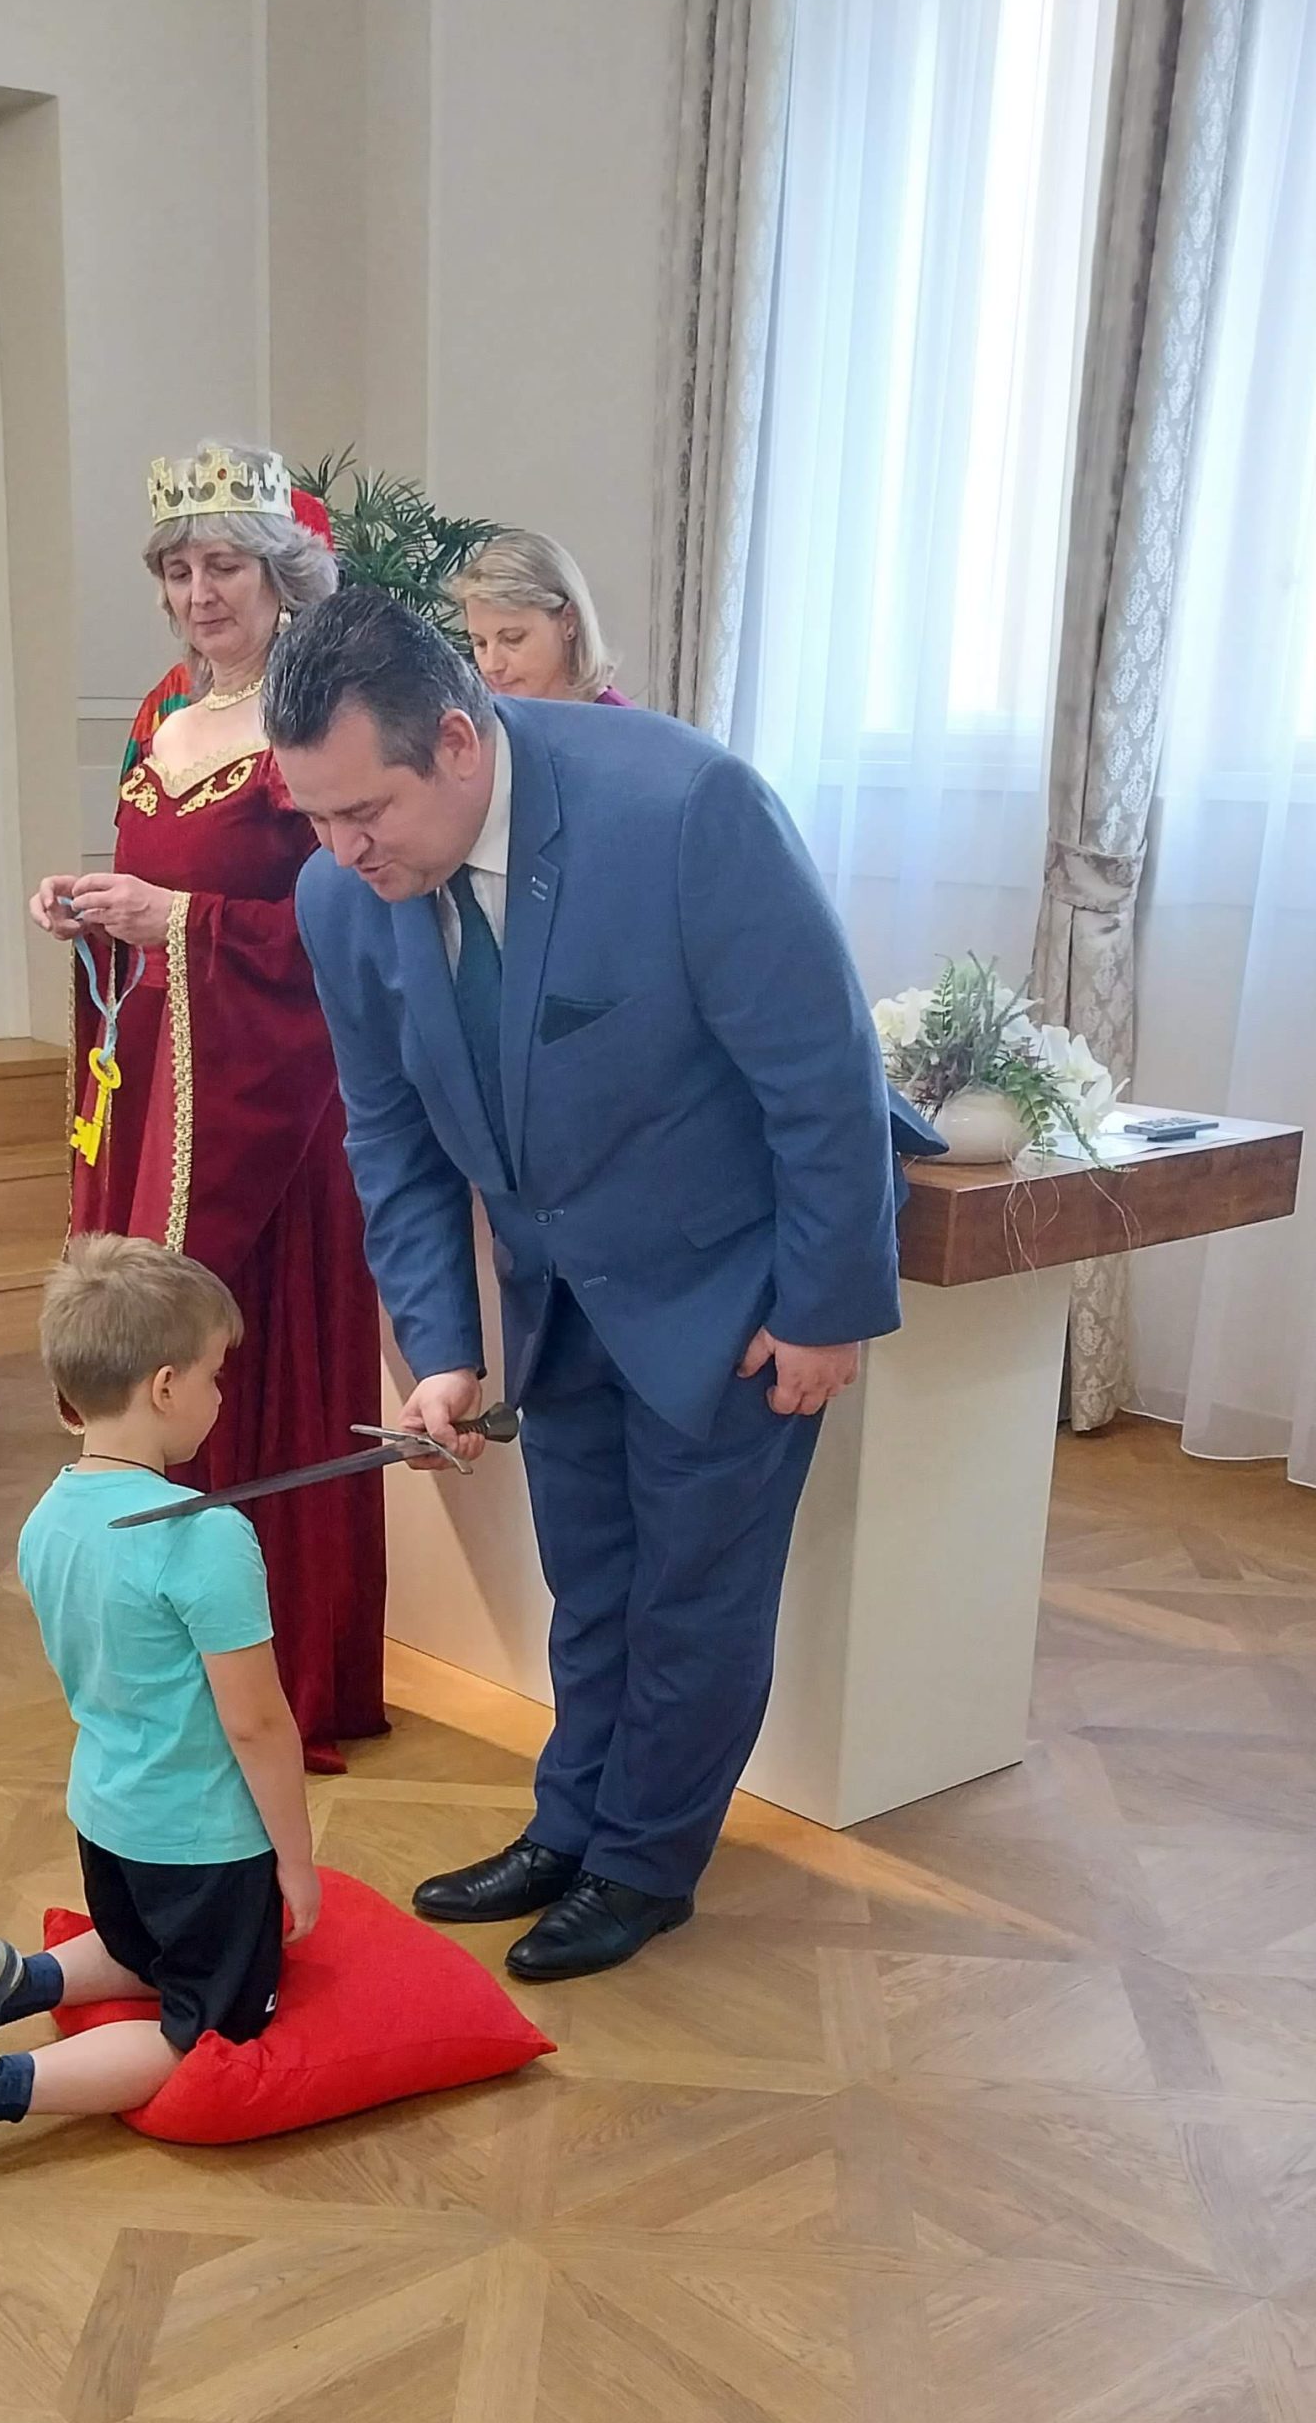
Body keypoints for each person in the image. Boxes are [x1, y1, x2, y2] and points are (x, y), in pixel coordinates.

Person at [263, 589, 941, 1984]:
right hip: (557, 1296)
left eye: (363, 811)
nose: (339, 851)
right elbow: (389, 1133)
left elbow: (822, 1074)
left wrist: (825, 1307)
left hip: (731, 1288)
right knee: (593, 1587)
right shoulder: (341, 895)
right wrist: (441, 1349)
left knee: (694, 1596)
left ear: (458, 743)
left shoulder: (683, 811)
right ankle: (568, 1825)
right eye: (312, 817)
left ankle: (644, 1861)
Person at [0, 1233, 317, 2194]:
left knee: (141, 1945)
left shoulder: (47, 1516)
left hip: (106, 1820)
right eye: (215, 1375)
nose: (221, 1395)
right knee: (204, 2028)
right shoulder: (207, 1537)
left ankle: (20, 1980)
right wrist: (294, 1866)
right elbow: (257, 1725)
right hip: (203, 1846)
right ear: (166, 1387)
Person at [29, 442, 386, 1773]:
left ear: (280, 570)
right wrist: (91, 908)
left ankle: (283, 1668)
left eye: (223, 564)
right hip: (164, 1087)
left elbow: (351, 916)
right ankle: (169, 1650)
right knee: (157, 1354)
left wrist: (177, 918)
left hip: (276, 1107)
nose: (198, 594)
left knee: (252, 1358)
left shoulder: (319, 713)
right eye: (177, 570)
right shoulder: (162, 711)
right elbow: (157, 882)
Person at [451, 529, 630, 704]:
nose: (491, 666)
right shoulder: (481, 718)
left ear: (569, 621)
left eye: (513, 638)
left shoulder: (619, 722)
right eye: (480, 643)